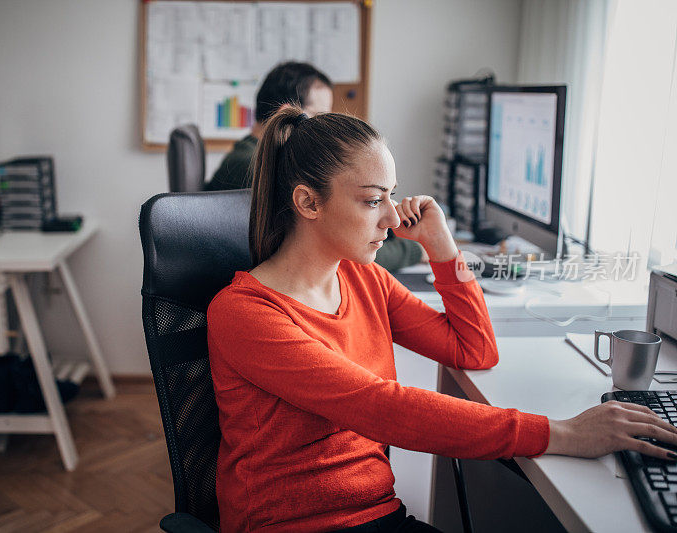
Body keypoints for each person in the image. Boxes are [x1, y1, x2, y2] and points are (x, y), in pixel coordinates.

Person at [206, 107, 677, 532]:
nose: (393, 217)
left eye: (393, 196)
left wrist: (442, 246)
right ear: (309, 203)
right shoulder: (245, 314)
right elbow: (381, 407)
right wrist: (564, 433)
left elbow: (475, 349)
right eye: (373, 201)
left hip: (378, 514)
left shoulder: (364, 280)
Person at [204, 61, 423, 271]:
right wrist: (416, 249)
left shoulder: (248, 154)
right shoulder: (254, 167)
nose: (323, 128)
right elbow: (342, 247)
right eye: (319, 116)